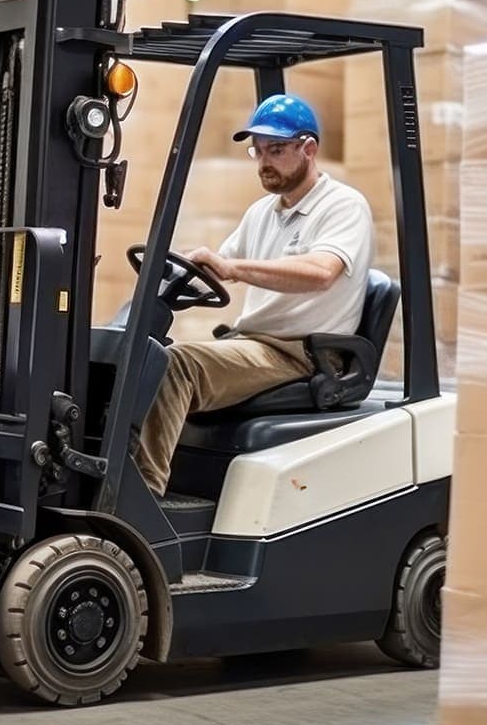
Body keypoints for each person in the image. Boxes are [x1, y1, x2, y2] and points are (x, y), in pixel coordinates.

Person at [133, 93, 376, 497]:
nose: (263, 162)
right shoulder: (263, 212)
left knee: (177, 366)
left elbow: (321, 273)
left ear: (308, 149)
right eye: (257, 151)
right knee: (142, 358)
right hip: (255, 344)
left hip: (300, 352)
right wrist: (178, 271)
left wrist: (234, 268)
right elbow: (216, 268)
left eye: (275, 150)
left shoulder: (343, 206)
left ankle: (141, 497)